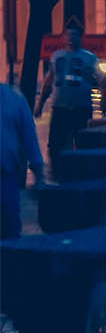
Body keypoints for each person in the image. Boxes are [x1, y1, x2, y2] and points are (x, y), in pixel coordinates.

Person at [36, 19, 99, 177]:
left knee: (82, 141)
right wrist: (40, 104)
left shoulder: (89, 58)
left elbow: (100, 80)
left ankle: (81, 173)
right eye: (68, 35)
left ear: (80, 37)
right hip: (60, 106)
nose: (71, 38)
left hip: (81, 107)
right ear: (64, 37)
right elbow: (49, 81)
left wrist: (102, 104)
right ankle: (56, 172)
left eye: (75, 35)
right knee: (55, 143)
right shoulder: (57, 56)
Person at [2, 80, 45, 238]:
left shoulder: (14, 99)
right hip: (6, 174)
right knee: (9, 227)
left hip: (5, 175)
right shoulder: (14, 98)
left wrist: (39, 175)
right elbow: (29, 139)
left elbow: (30, 139)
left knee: (9, 226)